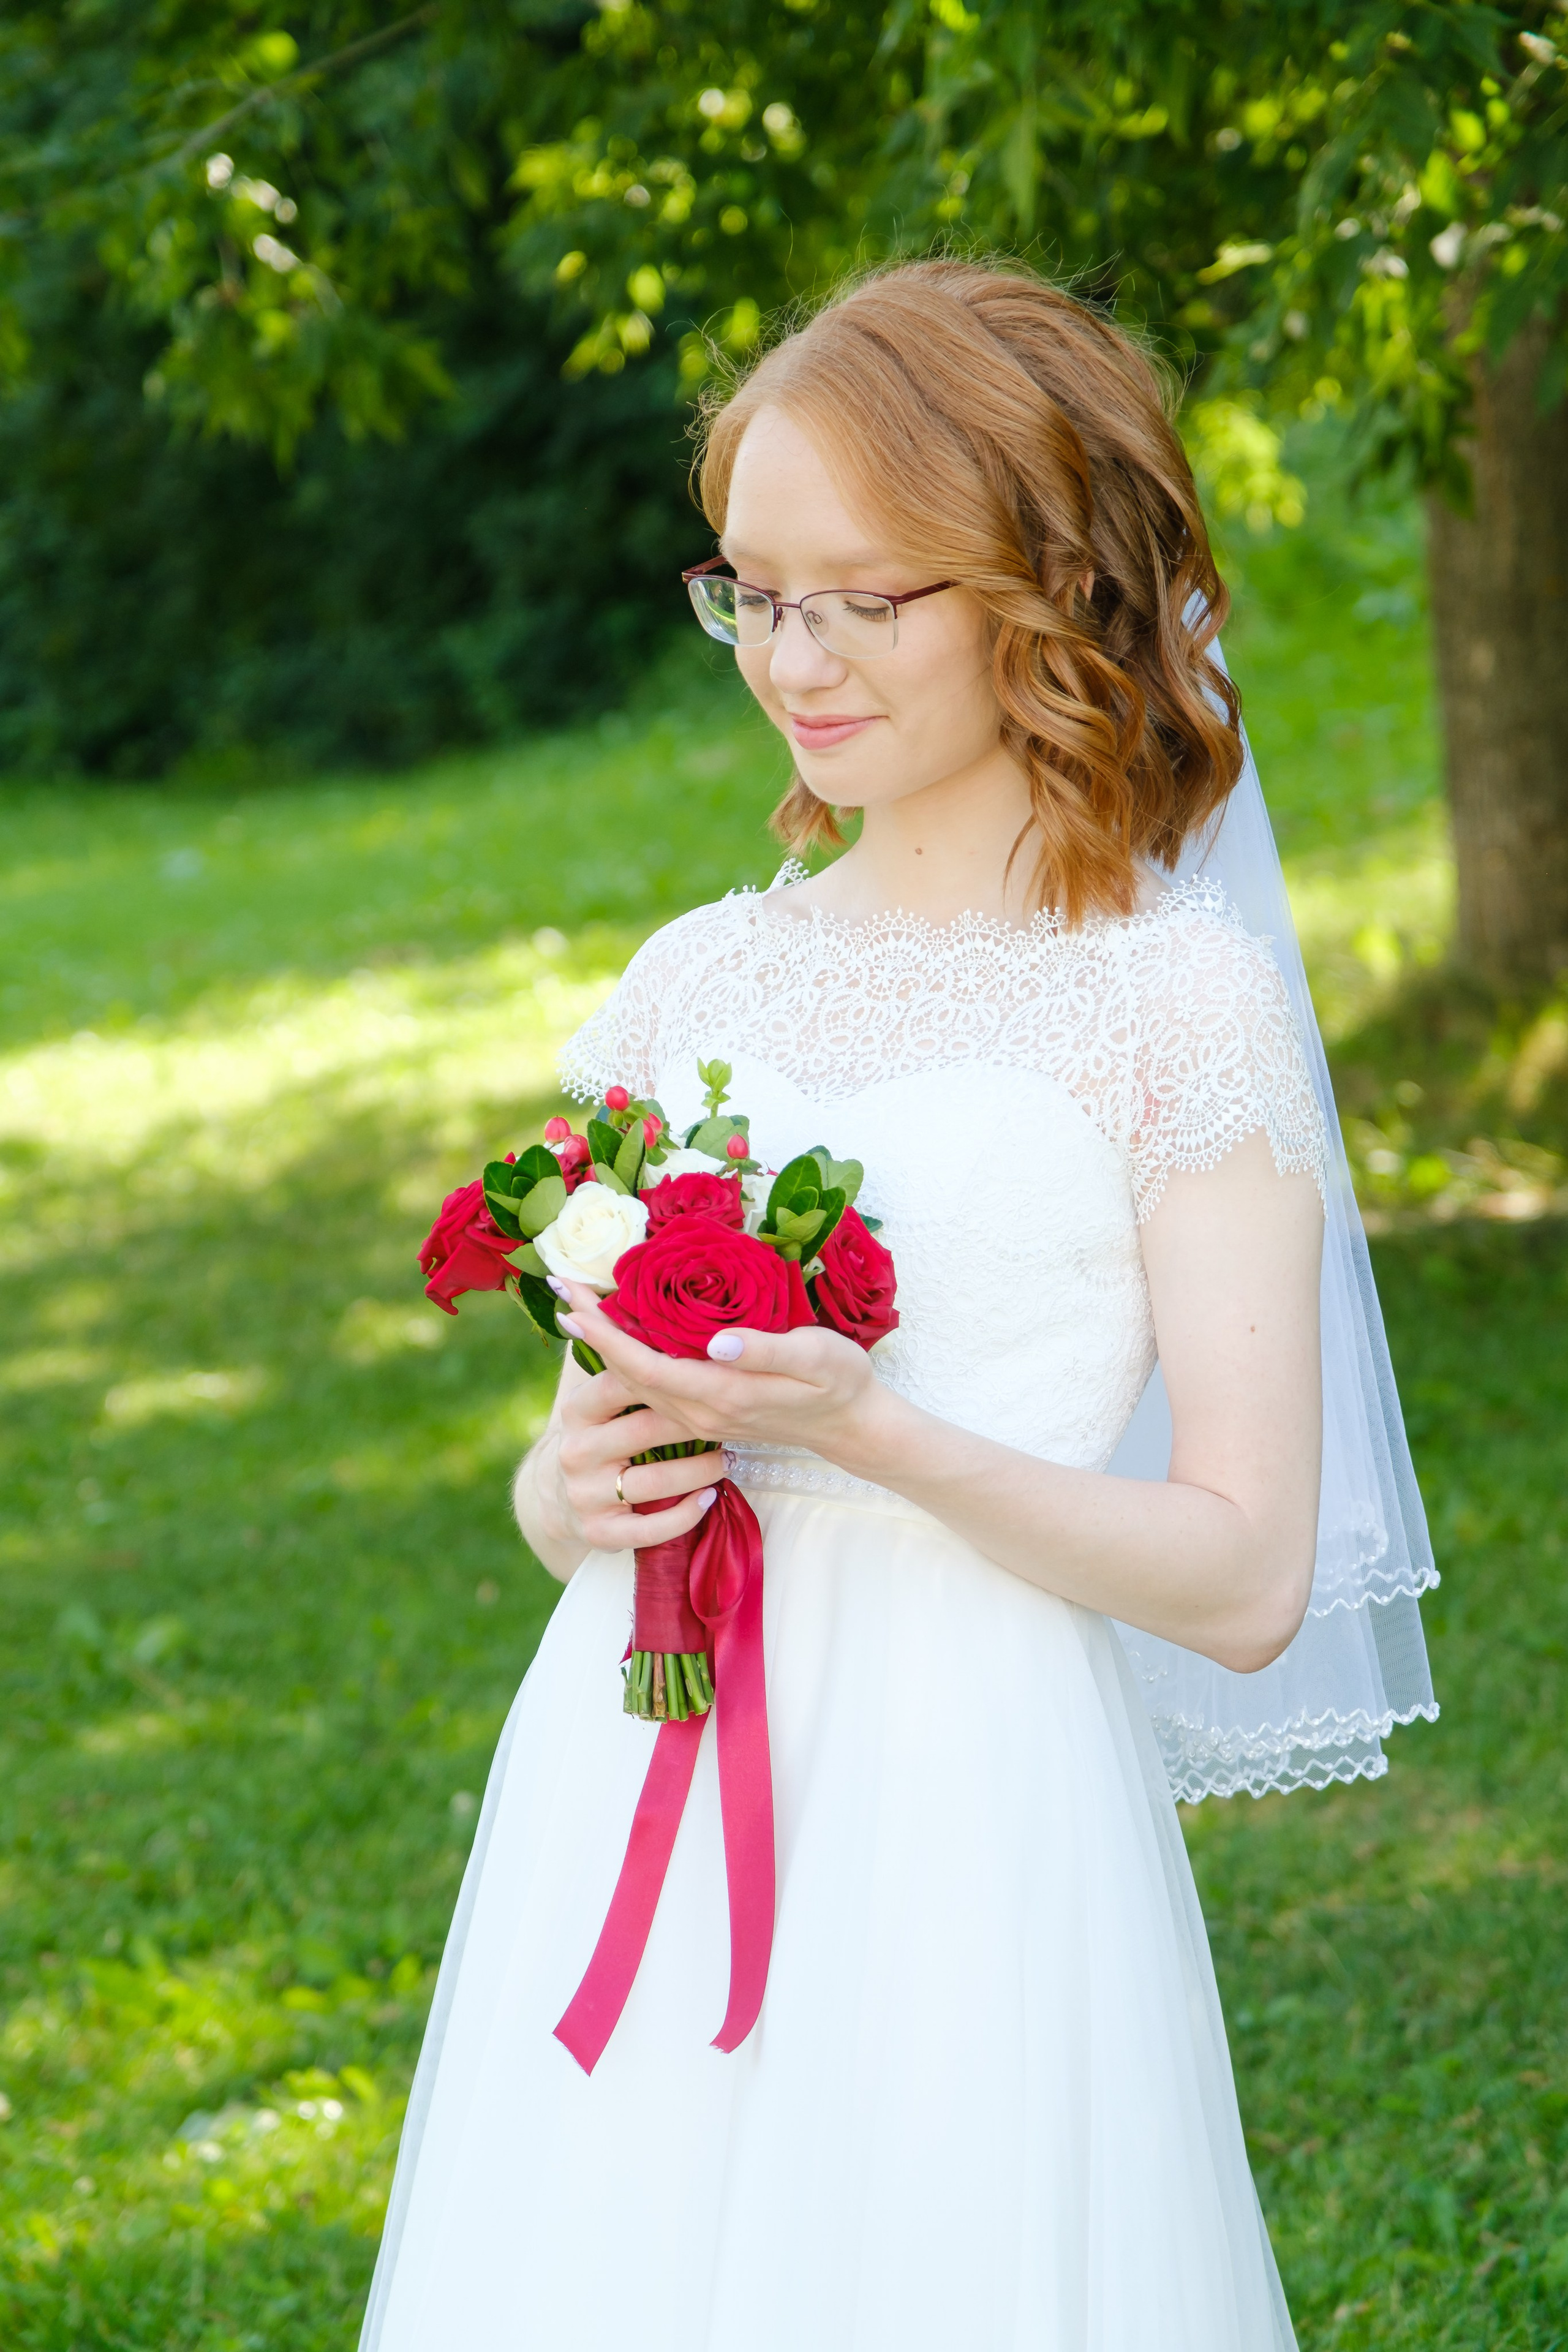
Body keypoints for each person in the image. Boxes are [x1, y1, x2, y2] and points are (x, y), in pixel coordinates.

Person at [360, 258, 1434, 2351]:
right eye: (755, 594)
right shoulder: (695, 980)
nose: (794, 660)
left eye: (865, 598)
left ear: (1049, 590)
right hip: (636, 1763)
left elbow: (1243, 1581)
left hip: (970, 1792)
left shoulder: (1173, 1006)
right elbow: (565, 1507)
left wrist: (876, 1433)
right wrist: (572, 1485)